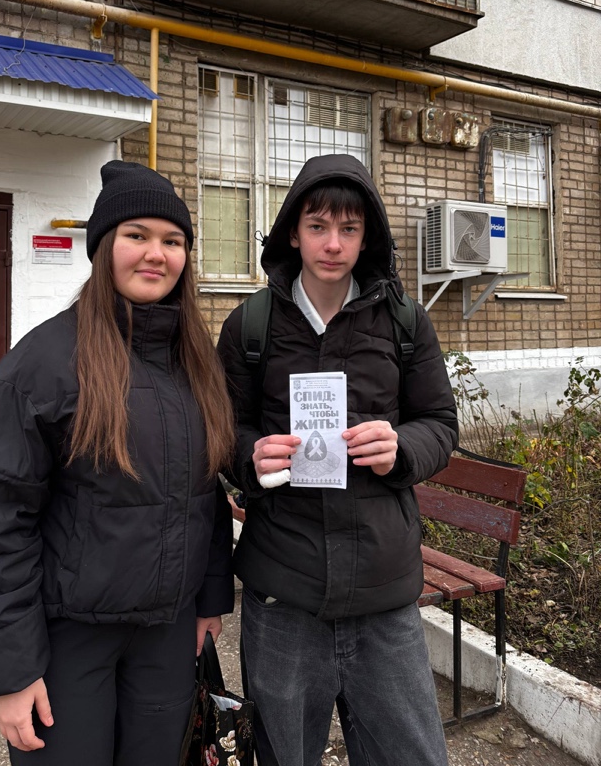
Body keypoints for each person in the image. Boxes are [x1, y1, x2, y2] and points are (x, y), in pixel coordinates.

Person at [0, 161, 235, 766]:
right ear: (104, 247)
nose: (156, 254)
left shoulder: (196, 364)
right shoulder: (43, 364)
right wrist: (10, 671)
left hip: (165, 639)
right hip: (69, 642)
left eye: (173, 240)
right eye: (137, 235)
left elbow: (204, 493)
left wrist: (209, 600)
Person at [217, 153, 458, 766]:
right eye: (318, 226)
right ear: (293, 233)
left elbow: (440, 424)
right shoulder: (250, 326)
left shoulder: (405, 322)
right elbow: (223, 431)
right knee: (284, 755)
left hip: (383, 593)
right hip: (284, 593)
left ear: (366, 236)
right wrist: (250, 455)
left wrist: (401, 447)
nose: (332, 244)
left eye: (348, 229)